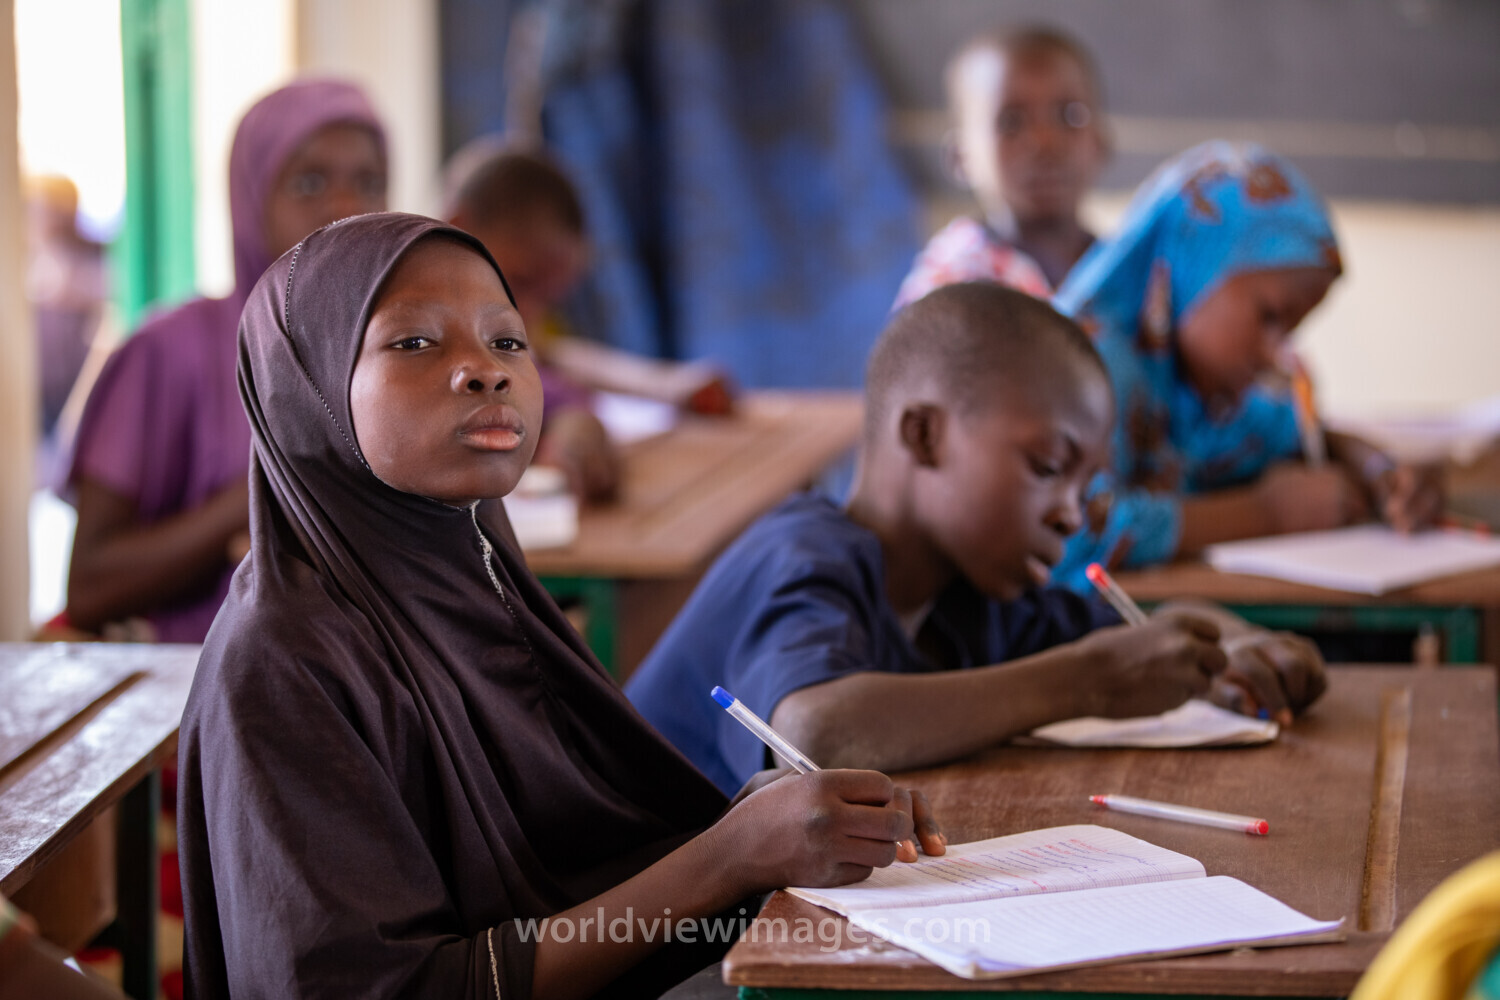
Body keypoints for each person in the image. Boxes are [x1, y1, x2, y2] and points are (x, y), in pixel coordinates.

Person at [176, 213, 945, 999]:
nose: (484, 371)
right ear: (303, 390)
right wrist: (728, 857)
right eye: (414, 343)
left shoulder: (474, 577)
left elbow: (567, 870)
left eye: (508, 341)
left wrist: (764, 819)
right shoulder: (281, 662)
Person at [626, 282, 1326, 796]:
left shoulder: (972, 600)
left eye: (1084, 489)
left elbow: (1140, 633)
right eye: (1049, 469)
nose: (1070, 516)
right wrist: (1089, 681)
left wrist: (1238, 644)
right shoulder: (802, 556)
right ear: (924, 435)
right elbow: (812, 732)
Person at [65, 78, 388, 641]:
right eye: (309, 183)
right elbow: (90, 585)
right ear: (249, 199)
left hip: (353, 679)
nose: (345, 209)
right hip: (201, 688)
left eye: (368, 182)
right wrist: (269, 489)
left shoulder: (384, 344)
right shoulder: (168, 352)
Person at [1050, 141, 1442, 585]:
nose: (1278, 352)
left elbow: (1300, 438)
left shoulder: (1215, 390)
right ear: (1194, 264)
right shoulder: (1081, 366)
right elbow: (1068, 533)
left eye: (1292, 329)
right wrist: (1264, 513)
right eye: (1270, 316)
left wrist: (1376, 468)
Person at [893, 25, 1109, 310]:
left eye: (1070, 115)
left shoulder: (1131, 270)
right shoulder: (952, 287)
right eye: (1010, 122)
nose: (1046, 143)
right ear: (961, 158)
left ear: (1100, 142)